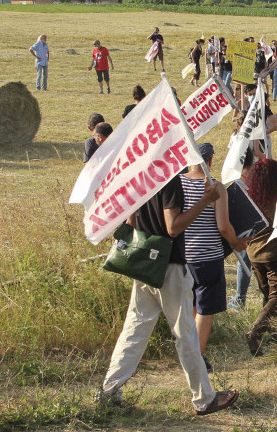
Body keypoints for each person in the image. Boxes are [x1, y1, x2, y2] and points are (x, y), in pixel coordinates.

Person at [98, 161, 238, 416]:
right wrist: (206, 199)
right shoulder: (169, 180)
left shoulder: (140, 176)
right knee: (185, 332)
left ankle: (109, 391)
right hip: (169, 266)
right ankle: (204, 399)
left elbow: (131, 218)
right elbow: (173, 227)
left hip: (144, 264)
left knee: (135, 329)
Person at [179, 143, 247, 371]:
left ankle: (188, 351)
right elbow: (223, 227)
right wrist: (237, 243)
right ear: (210, 161)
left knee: (190, 308)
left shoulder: (177, 184)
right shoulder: (216, 188)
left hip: (183, 255)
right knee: (205, 309)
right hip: (208, 256)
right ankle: (196, 358)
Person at [241, 158, 277, 356]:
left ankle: (275, 332)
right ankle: (256, 331)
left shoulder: (250, 197)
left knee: (267, 295)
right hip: (276, 254)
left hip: (254, 253)